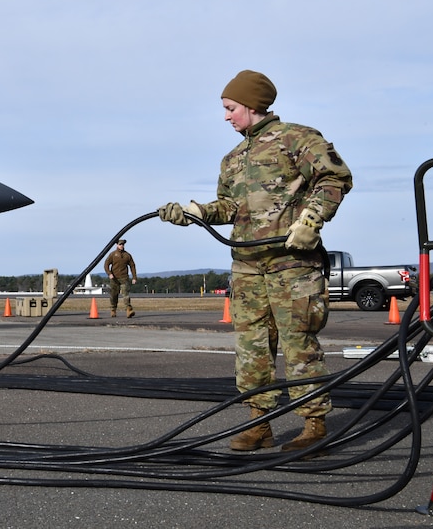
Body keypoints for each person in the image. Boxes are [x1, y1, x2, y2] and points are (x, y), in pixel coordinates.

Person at [158, 69, 353, 452]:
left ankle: (314, 424)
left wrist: (312, 219)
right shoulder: (232, 159)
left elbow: (335, 177)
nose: (226, 116)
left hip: (292, 265)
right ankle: (259, 423)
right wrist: (193, 211)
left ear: (252, 105)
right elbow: (231, 207)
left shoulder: (297, 138)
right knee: (251, 348)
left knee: (299, 345)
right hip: (247, 266)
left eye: (231, 108)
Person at [103, 239, 137, 318]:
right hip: (114, 278)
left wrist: (134, 277)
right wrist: (109, 274)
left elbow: (132, 266)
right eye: (120, 244)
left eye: (122, 244)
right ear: (117, 245)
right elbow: (106, 265)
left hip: (124, 278)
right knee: (114, 295)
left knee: (125, 294)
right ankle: (113, 309)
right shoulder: (112, 254)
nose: (121, 246)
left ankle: (129, 309)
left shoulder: (127, 255)